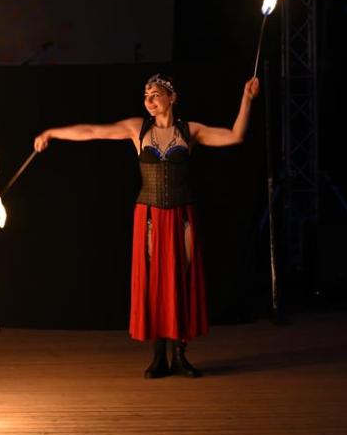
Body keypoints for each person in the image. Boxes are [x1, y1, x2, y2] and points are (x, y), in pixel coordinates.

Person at [33, 74, 259, 378]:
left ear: (171, 97)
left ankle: (180, 355)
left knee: (181, 279)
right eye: (146, 96)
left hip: (181, 214)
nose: (149, 101)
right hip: (150, 214)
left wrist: (247, 98)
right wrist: (51, 132)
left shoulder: (190, 130)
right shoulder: (136, 129)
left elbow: (235, 135)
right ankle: (158, 358)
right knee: (154, 283)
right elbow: (91, 131)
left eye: (155, 95)